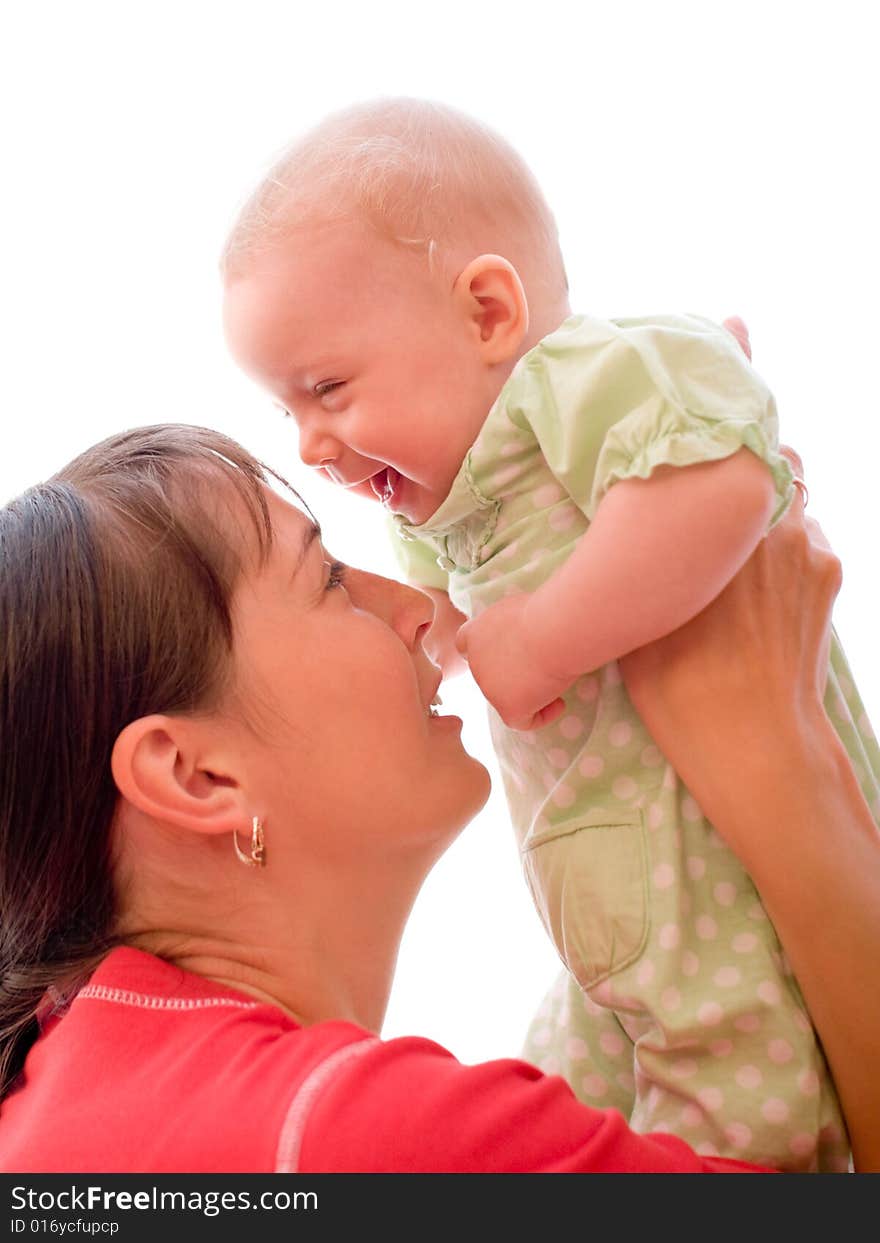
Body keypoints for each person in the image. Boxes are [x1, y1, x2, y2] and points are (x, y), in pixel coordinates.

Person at [220, 98, 880, 1170]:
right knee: (571, 1080)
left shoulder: (584, 377)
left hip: (720, 862)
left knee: (737, 1101)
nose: (313, 443)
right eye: (286, 412)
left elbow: (717, 479)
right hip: (612, 911)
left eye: (328, 389)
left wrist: (546, 640)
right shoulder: (442, 501)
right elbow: (450, 628)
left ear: (486, 313)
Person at [0, 423, 878, 1175]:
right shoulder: (357, 1133)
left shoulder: (66, 1093)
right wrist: (786, 757)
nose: (420, 608)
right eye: (330, 581)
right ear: (197, 777)